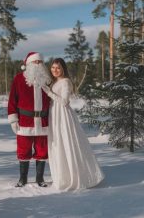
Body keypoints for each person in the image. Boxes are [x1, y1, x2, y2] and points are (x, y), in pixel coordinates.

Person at [42, 58, 104, 191]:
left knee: (67, 143)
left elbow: (64, 101)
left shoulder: (66, 82)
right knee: (57, 144)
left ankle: (75, 176)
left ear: (63, 68)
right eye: (53, 68)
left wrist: (49, 92)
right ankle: (62, 176)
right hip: (54, 115)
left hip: (63, 116)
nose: (55, 70)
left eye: (58, 68)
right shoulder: (54, 82)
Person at [7, 52, 52, 187]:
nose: (37, 64)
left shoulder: (47, 80)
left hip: (43, 122)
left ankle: (40, 178)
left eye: (39, 62)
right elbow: (12, 101)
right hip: (25, 122)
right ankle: (23, 178)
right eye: (34, 62)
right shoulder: (19, 79)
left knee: (42, 150)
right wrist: (13, 119)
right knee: (23, 150)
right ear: (28, 64)